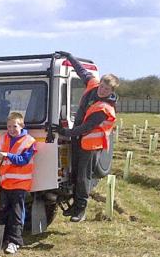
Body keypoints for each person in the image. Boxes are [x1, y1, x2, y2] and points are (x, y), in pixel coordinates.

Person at [55, 51, 119, 222]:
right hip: (79, 139)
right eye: (102, 86)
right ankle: (74, 206)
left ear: (111, 91)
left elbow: (86, 127)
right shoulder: (92, 85)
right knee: (75, 173)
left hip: (91, 144)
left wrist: (66, 133)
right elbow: (82, 71)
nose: (103, 90)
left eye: (107, 89)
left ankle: (80, 210)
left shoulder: (104, 108)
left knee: (83, 176)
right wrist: (69, 57)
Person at [0, 112, 37, 254]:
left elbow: (23, 160)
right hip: (3, 183)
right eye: (9, 126)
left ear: (21, 126)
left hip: (19, 183)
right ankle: (2, 238)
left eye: (14, 126)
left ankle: (14, 241)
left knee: (16, 213)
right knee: (2, 210)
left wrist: (7, 155)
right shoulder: (0, 139)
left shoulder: (29, 141)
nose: (11, 129)